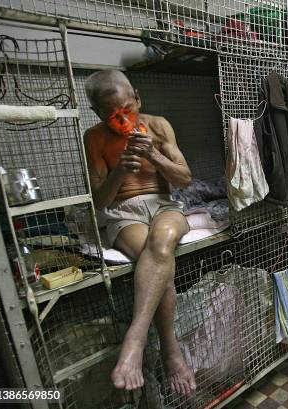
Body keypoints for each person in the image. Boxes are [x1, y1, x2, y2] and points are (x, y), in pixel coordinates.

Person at [83, 70, 195, 394]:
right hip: (123, 211)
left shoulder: (158, 126)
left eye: (127, 110)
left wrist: (152, 155)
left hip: (163, 206)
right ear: (98, 113)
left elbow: (184, 179)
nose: (123, 120)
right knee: (161, 264)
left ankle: (135, 338)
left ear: (137, 97)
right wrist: (120, 170)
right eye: (113, 116)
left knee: (162, 240)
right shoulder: (94, 138)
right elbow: (100, 201)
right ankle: (171, 351)